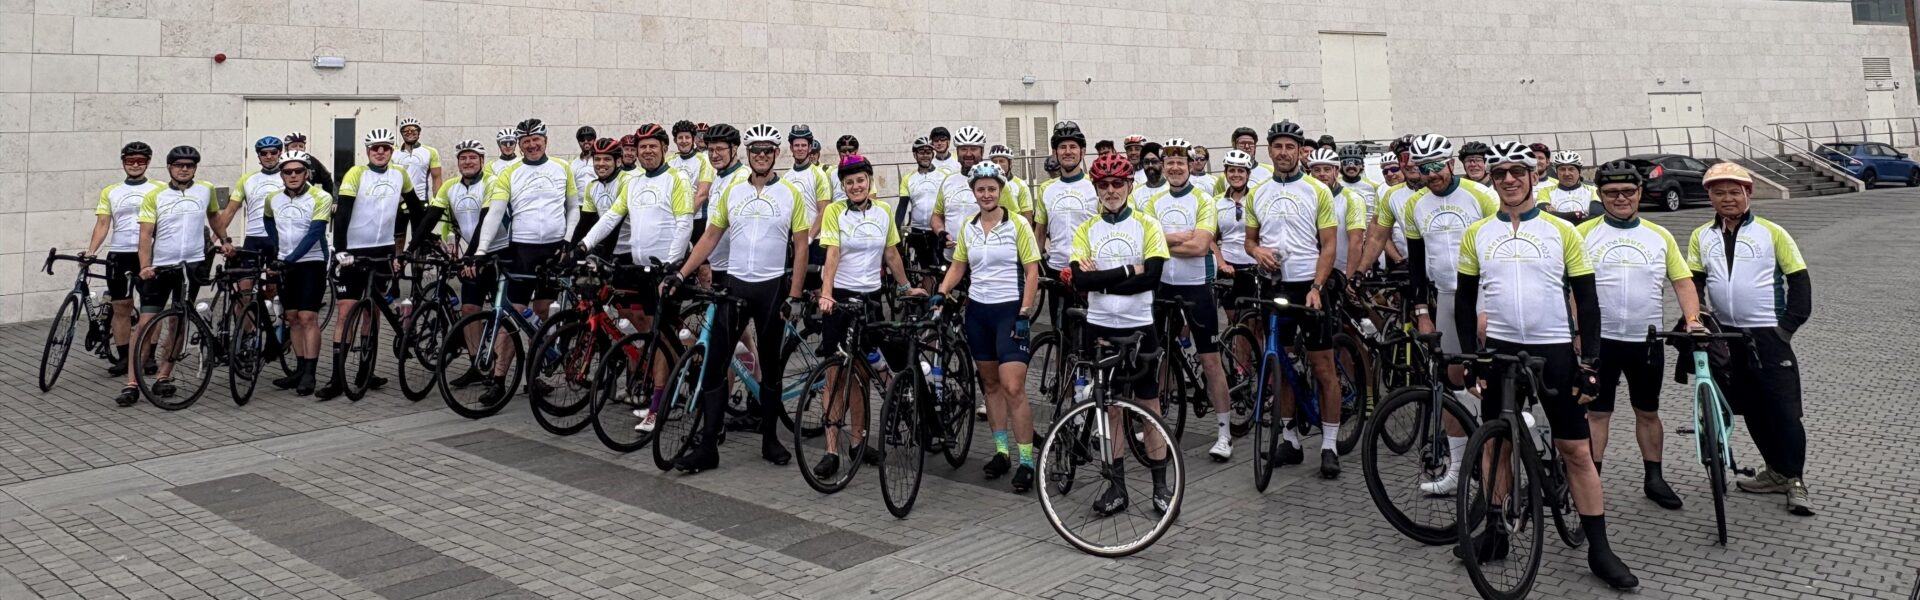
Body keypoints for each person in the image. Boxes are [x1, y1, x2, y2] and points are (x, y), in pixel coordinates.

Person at [1454, 140, 1638, 590]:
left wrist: (1590, 361)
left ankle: (1599, 548)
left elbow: (1589, 302)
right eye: (1500, 175)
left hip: (1554, 349)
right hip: (1499, 349)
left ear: (1534, 176)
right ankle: (1496, 532)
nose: (1510, 180)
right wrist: (1473, 358)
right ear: (1492, 181)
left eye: (1518, 172)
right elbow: (1463, 303)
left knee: (1575, 450)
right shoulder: (1477, 233)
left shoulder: (1563, 231)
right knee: (1497, 445)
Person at [663, 124, 809, 473]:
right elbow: (711, 236)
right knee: (715, 364)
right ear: (748, 155)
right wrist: (681, 272)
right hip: (735, 287)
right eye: (755, 152)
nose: (761, 157)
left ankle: (770, 439)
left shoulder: (790, 193)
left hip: (772, 290)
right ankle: (709, 447)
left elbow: (801, 246)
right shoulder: (732, 192)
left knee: (771, 367)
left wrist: (796, 295)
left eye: (767, 152)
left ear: (776, 155)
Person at [1366, 134, 1497, 493]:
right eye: (1424, 168)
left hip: (1489, 294)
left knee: (1498, 375)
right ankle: (1457, 469)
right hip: (1449, 297)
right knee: (1450, 383)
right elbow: (1417, 266)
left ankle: (1511, 448)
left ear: (1450, 163)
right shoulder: (1415, 206)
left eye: (1437, 166)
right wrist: (1422, 312)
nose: (1431, 174)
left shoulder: (1481, 195)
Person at [1686, 162, 1815, 516]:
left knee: (1785, 411)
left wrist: (1785, 328)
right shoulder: (1701, 236)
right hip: (1726, 336)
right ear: (1709, 196)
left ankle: (1796, 480)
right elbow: (1693, 283)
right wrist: (1694, 319)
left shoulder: (1772, 232)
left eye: (1733, 191)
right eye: (1718, 192)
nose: (1726, 198)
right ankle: (1774, 471)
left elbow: (1800, 282)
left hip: (1768, 334)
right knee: (1752, 409)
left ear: (1748, 193)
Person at [1578, 160, 1701, 511]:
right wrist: (1577, 332)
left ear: (1640, 193)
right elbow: (1570, 287)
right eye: (1612, 193)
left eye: (1628, 192)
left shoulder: (1658, 235)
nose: (1621, 198)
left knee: (1647, 411)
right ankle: (1591, 480)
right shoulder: (1585, 233)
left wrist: (1692, 319)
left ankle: (1654, 478)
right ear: (1600, 196)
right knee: (1598, 414)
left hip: (1645, 341)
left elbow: (1682, 281)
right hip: (1600, 342)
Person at [574, 125, 697, 431]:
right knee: (656, 336)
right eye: (642, 148)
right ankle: (675, 378)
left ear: (664, 148)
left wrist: (672, 265)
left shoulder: (676, 179)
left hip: (667, 271)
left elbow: (684, 223)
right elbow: (611, 217)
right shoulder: (634, 182)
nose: (647, 152)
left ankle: (658, 406)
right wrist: (583, 244)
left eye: (653, 146)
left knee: (661, 335)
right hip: (643, 270)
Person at [1072, 152, 1175, 515]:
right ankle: (1117, 489)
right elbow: (1081, 281)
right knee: (1110, 409)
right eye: (1104, 185)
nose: (1111, 190)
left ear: (1130, 186)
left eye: (1118, 183)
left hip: (1140, 327)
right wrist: (1127, 273)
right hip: (1100, 328)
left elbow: (1153, 277)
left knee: (1149, 408)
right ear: (1096, 189)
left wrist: (1104, 280)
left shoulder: (1148, 225)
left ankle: (1161, 488)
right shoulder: (1086, 229)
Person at [1243, 120, 1345, 478]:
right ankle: (1290, 440)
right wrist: (1257, 252)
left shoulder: (1317, 190)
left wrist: (1318, 287)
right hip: (1275, 286)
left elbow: (1329, 245)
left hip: (1310, 286)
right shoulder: (1257, 193)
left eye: (1290, 147)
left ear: (1301, 151)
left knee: (1323, 368)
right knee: (1281, 365)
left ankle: (1330, 445)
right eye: (1277, 147)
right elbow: (1249, 240)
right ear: (1269, 151)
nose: (1283, 153)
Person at [808, 154, 921, 479]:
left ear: (869, 182)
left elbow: (891, 253)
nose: (855, 186)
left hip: (870, 298)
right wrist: (826, 293)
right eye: (849, 182)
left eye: (860, 180)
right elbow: (832, 253)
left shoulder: (884, 212)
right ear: (843, 186)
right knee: (836, 375)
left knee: (861, 373)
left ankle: (858, 442)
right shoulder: (834, 212)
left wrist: (906, 287)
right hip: (841, 300)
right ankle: (831, 449)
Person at [932, 162, 1042, 490]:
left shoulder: (1018, 225)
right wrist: (941, 292)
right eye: (980, 189)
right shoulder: (969, 225)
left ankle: (1026, 460)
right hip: (978, 312)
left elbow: (1032, 271)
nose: (986, 194)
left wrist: (1025, 310)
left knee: (1013, 387)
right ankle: (1001, 451)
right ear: (974, 193)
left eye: (992, 188)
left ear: (1001, 190)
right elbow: (959, 264)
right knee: (990, 386)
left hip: (1010, 311)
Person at [468, 119, 579, 404]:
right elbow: (494, 213)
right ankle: (498, 379)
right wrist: (480, 250)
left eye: (536, 139)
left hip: (553, 250)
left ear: (545, 140)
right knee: (512, 315)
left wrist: (567, 241)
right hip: (522, 250)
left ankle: (534, 378)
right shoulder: (510, 173)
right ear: (519, 144)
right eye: (525, 140)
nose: (531, 144)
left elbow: (573, 208)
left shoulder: (562, 168)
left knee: (542, 311)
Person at [1143, 139, 1234, 461]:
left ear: (1189, 165)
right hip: (1165, 287)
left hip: (1197, 286)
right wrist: (1177, 238)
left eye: (1181, 162)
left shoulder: (1203, 199)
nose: (1175, 167)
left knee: (1210, 362)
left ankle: (1224, 432)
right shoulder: (1153, 201)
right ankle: (1157, 421)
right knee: (1159, 356)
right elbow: (1146, 244)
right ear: (1163, 167)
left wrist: (1165, 241)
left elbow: (1199, 247)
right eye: (1169, 163)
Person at [320, 128, 422, 400]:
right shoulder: (356, 173)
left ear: (392, 151)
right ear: (367, 151)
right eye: (375, 148)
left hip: (383, 251)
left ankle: (366, 370)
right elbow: (342, 213)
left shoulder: (400, 174)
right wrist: (340, 250)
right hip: (354, 250)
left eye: (386, 148)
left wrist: (421, 239)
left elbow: (416, 209)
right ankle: (336, 378)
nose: (380, 152)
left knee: (373, 311)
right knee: (345, 311)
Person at [123, 146, 219, 404]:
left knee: (178, 322)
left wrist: (227, 239)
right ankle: (132, 382)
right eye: (179, 165)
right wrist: (145, 265)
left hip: (192, 266)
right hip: (161, 267)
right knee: (145, 323)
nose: (184, 169)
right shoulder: (155, 195)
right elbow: (145, 235)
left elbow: (214, 217)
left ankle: (164, 375)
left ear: (195, 168)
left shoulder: (205, 190)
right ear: (169, 168)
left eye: (189, 165)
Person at [411, 140, 503, 390]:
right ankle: (477, 364)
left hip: (496, 254)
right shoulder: (451, 186)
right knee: (469, 311)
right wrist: (410, 250)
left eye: (473, 157)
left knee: (501, 315)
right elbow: (430, 217)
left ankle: (500, 370)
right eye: (463, 158)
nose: (468, 162)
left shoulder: (492, 183)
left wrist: (472, 256)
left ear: (482, 161)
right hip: (471, 257)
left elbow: (486, 221)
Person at [86, 142, 160, 386]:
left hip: (150, 255)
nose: (135, 165)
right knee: (121, 306)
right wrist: (91, 251)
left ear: (148, 162)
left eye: (140, 161)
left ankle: (147, 356)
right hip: (120, 253)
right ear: (123, 162)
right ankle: (124, 356)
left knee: (151, 308)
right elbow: (103, 224)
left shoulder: (159, 188)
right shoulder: (111, 191)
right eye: (130, 161)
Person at [260, 150, 333, 396]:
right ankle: (299, 370)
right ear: (281, 175)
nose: (293, 175)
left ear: (307, 173)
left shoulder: (320, 196)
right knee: (291, 317)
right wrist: (277, 248)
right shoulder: (273, 198)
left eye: (298, 170)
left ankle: (310, 373)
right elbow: (268, 221)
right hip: (285, 263)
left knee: (307, 317)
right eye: (287, 171)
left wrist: (289, 258)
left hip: (311, 262)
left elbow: (315, 234)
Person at [1033, 121, 1098, 320]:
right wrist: (1033, 267)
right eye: (1062, 147)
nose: (1067, 151)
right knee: (1059, 331)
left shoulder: (1095, 185)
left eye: (1073, 146)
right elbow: (1040, 232)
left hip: (1090, 268)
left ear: (1083, 151)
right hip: (1057, 268)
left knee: (1091, 334)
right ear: (1055, 153)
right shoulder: (1046, 188)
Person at [932, 127, 1019, 264]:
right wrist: (941, 233)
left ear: (982, 151)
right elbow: (937, 215)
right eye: (963, 149)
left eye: (973, 149)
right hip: (952, 258)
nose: (968, 154)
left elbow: (1015, 220)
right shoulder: (948, 181)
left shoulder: (996, 181)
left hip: (985, 260)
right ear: (957, 151)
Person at [1305, 147, 1371, 274]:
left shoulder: (1353, 199)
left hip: (1341, 271)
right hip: (1309, 272)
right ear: (1311, 173)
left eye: (1327, 169)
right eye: (1317, 170)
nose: (1322, 174)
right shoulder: (1305, 198)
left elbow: (1356, 242)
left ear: (1336, 171)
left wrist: (1349, 278)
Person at [1212, 149, 1258, 322]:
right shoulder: (1216, 202)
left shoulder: (1257, 198)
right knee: (1236, 323)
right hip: (1228, 268)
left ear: (1248, 174)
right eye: (1232, 170)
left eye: (1241, 171)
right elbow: (1211, 238)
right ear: (1225, 173)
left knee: (1254, 325)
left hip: (1253, 267)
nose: (1236, 175)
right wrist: (1222, 264)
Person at [697, 124, 746, 283]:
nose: (714, 155)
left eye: (719, 149)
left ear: (734, 148)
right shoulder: (718, 177)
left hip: (735, 267)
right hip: (719, 264)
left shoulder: (743, 177)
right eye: (710, 150)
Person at [900, 136, 950, 270]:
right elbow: (902, 207)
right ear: (915, 155)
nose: (925, 156)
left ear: (933, 154)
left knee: (942, 266)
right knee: (925, 269)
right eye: (921, 152)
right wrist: (895, 230)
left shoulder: (944, 175)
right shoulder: (908, 179)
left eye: (928, 152)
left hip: (938, 230)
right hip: (917, 231)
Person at [670, 120, 719, 250]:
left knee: (701, 266)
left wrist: (684, 218)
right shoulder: (669, 161)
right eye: (680, 138)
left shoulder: (704, 160)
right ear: (675, 140)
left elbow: (702, 194)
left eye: (687, 137)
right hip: (673, 221)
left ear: (693, 139)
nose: (684, 141)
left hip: (697, 219)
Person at [394, 118, 443, 238]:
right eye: (406, 130)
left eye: (413, 130)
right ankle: (398, 257)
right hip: (398, 201)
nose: (410, 133)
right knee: (398, 236)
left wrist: (437, 201)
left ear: (419, 132)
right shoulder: (394, 153)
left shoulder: (430, 152)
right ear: (401, 133)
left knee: (420, 236)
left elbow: (436, 178)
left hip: (420, 200)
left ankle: (420, 257)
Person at [785, 124, 832, 228]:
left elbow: (824, 211)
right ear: (791, 148)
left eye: (804, 145)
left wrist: (810, 238)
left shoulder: (820, 175)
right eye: (796, 145)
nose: (800, 149)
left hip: (815, 239)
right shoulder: (786, 177)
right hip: (793, 238)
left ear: (810, 147)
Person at [1539, 150, 1599, 223]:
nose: (1567, 173)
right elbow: (1544, 215)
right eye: (1562, 169)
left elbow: (1596, 217)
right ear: (1556, 172)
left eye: (1571, 169)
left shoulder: (1593, 190)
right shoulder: (1545, 191)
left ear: (1579, 172)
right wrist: (1577, 215)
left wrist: (1556, 214)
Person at [986, 144, 1034, 220]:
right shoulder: (985, 185)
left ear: (1010, 163)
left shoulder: (1021, 185)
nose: (998, 165)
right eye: (995, 162)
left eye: (1002, 161)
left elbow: (1027, 214)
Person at [829, 134, 860, 202]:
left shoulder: (863, 172)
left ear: (856, 151)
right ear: (839, 152)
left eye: (850, 150)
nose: (847, 153)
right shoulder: (832, 174)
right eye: (843, 151)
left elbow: (871, 197)